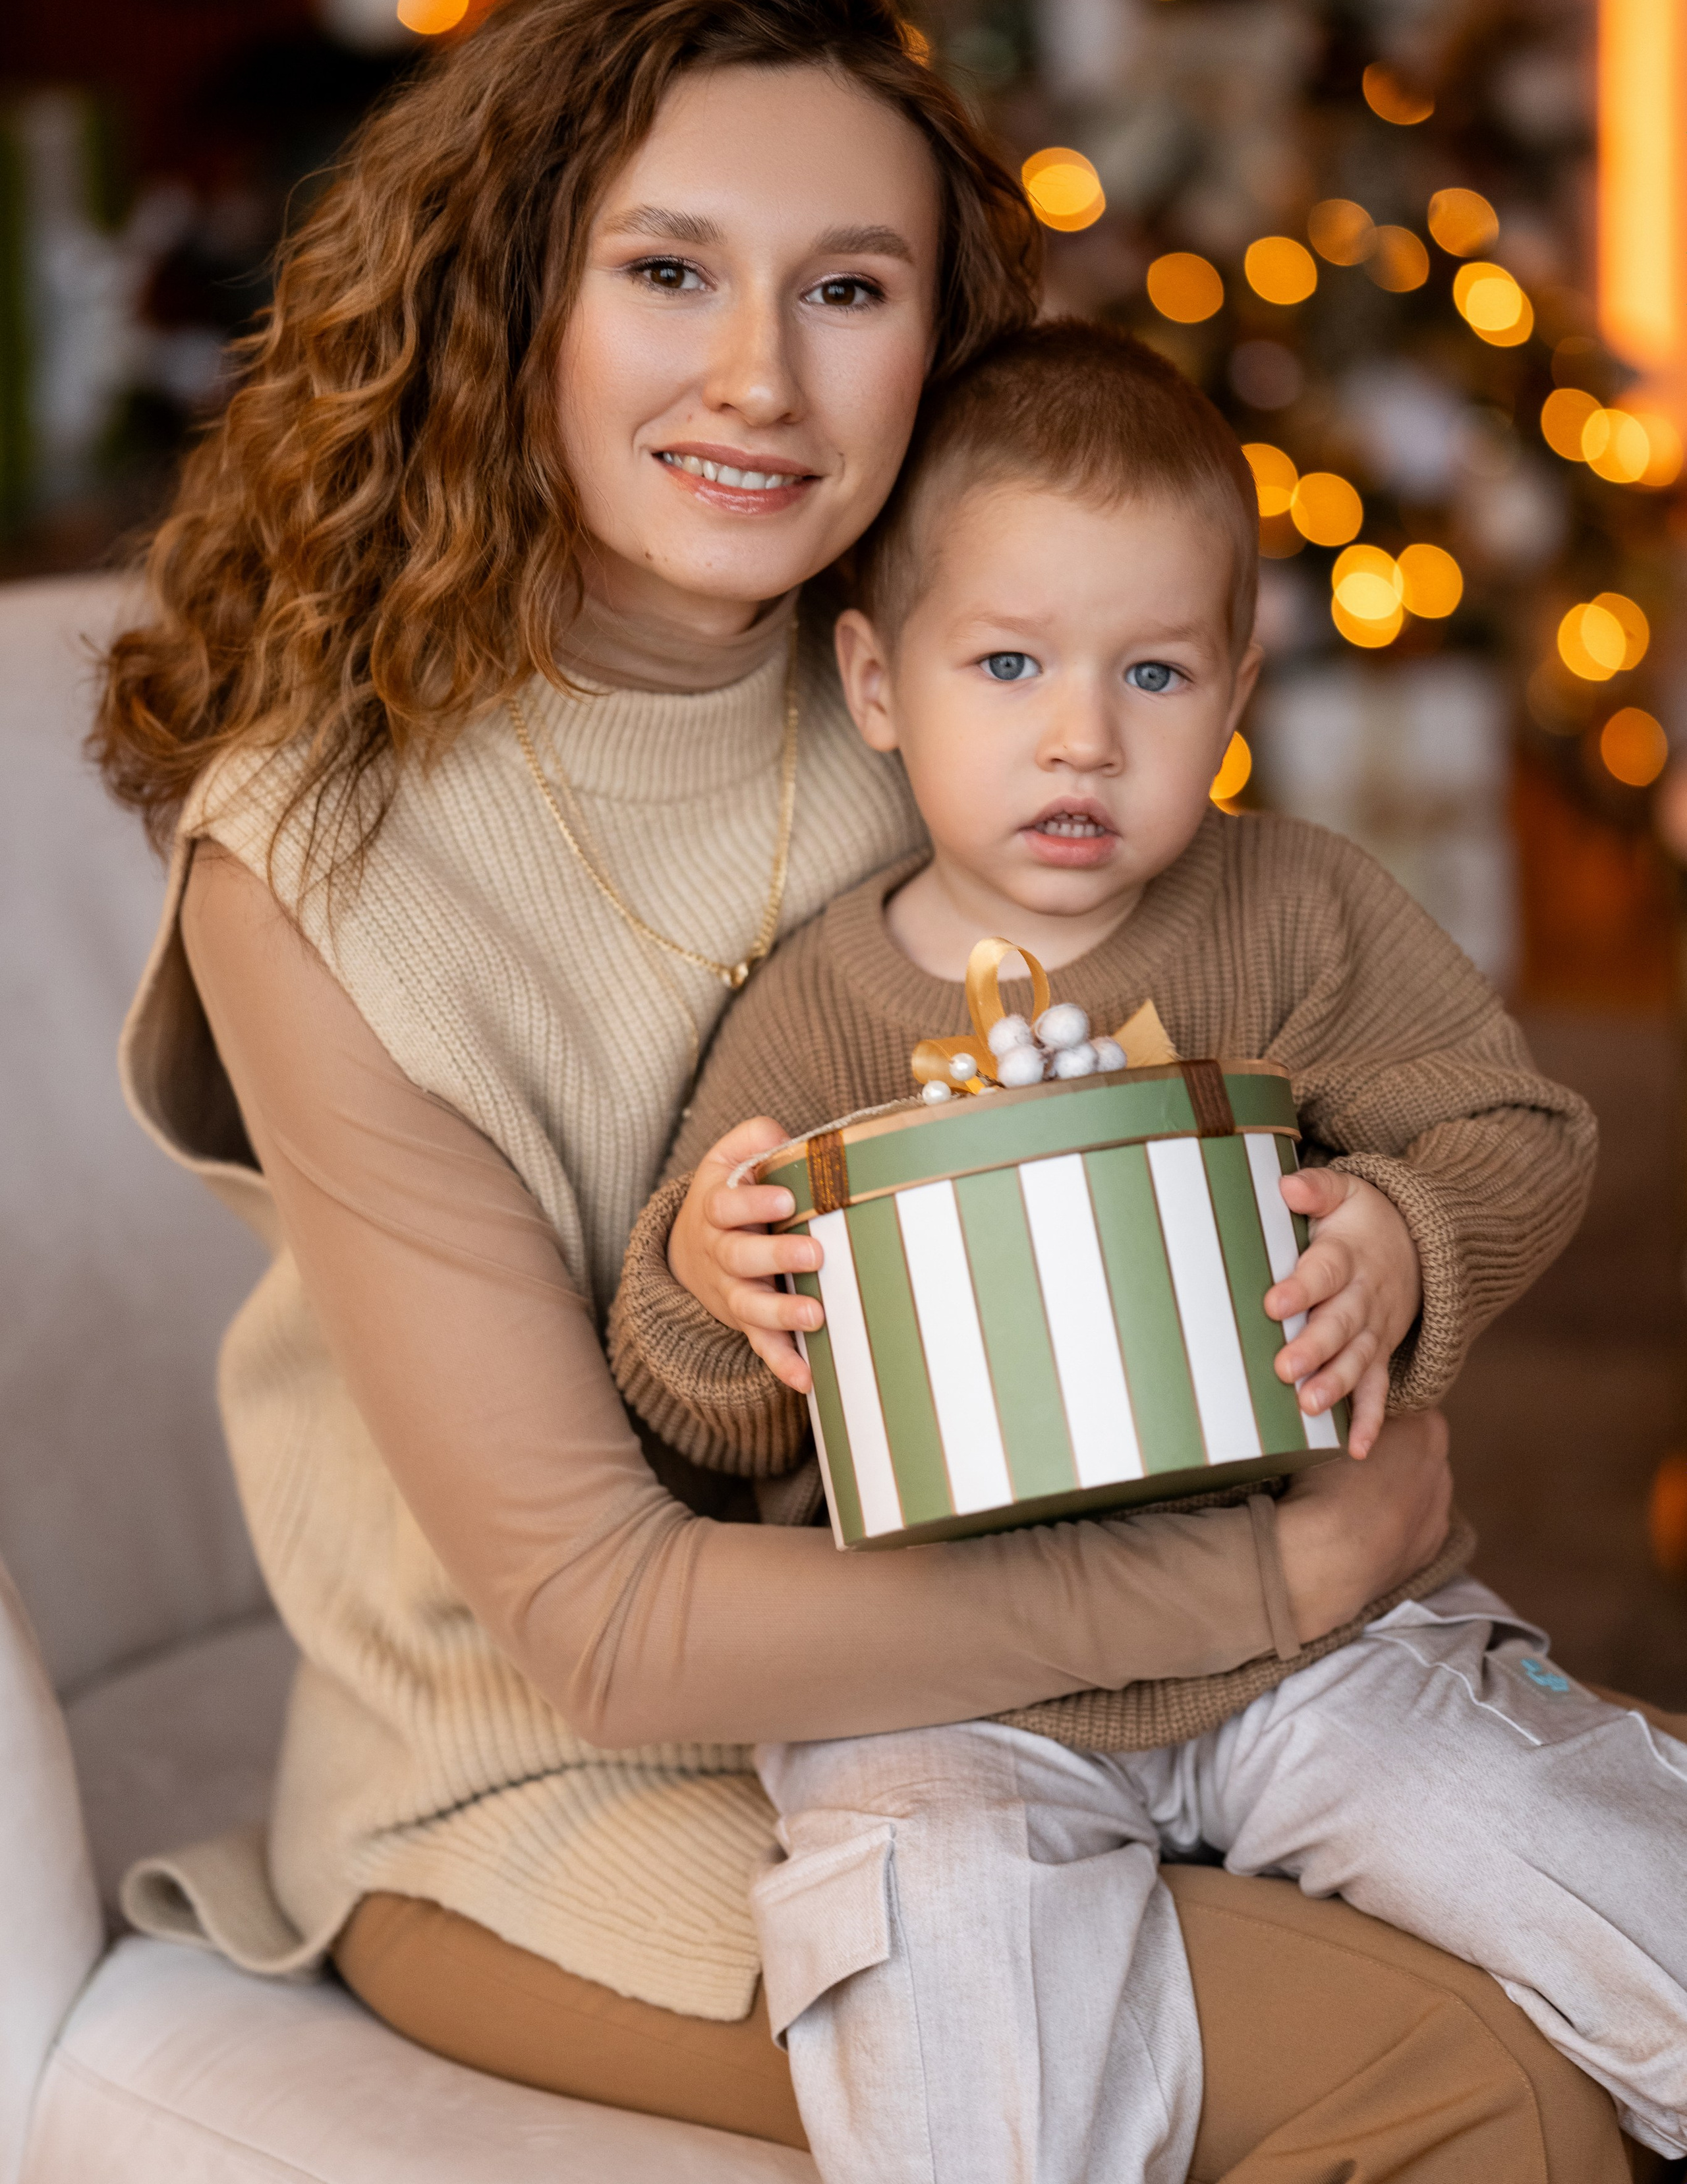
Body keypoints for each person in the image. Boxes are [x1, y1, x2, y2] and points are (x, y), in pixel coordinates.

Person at [91, 0, 1630, 2179]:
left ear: (939, 337)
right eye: (668, 270)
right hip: (570, 1781)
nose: (760, 383)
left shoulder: (996, 676)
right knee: (1467, 2081)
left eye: (847, 289)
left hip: (1111, 1703)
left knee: (1600, 1938)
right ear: (513, 292)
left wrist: (1389, 1245)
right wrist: (1270, 1580)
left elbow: (1334, 1051)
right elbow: (609, 1629)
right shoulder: (314, 863)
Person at [610, 320, 1687, 2177]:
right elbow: (691, 1403)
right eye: (1009, 662)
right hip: (942, 1695)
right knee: (952, 2003)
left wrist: (1410, 1245)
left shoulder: (1295, 908)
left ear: (1240, 683)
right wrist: (714, 1285)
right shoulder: (814, 1009)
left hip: (1312, 1640)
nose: (1080, 735)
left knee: (1571, 1842)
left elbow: (1515, 1127)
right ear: (876, 679)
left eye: (1156, 671)